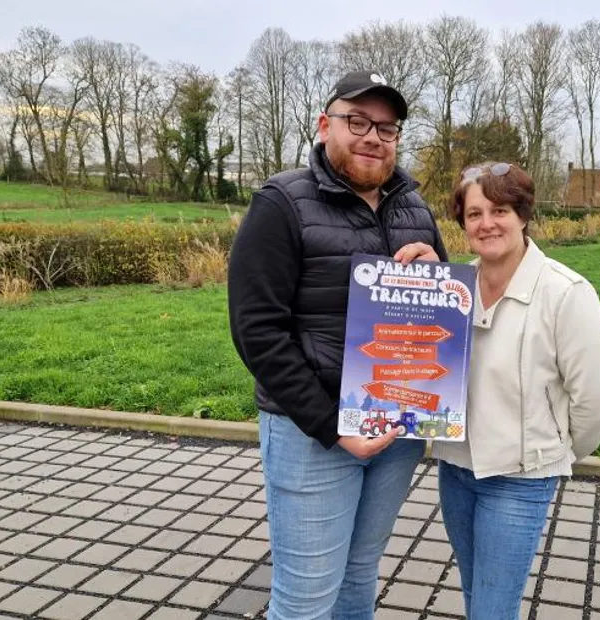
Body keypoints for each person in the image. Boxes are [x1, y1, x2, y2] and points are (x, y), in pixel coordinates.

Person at [227, 70, 447, 620]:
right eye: (358, 121)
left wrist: (440, 275)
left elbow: (444, 315)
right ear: (325, 126)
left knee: (358, 576)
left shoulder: (414, 208)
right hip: (313, 435)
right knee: (304, 601)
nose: (374, 136)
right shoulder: (282, 202)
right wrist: (332, 425)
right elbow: (257, 329)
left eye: (388, 128)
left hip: (395, 428)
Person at [431, 162, 600, 619]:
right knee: (477, 594)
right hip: (456, 470)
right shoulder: (450, 289)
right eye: (474, 214)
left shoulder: (565, 292)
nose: (487, 223)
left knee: (493, 609)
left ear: (522, 215)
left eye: (499, 210)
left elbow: (598, 401)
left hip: (519, 480)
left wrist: (553, 453)